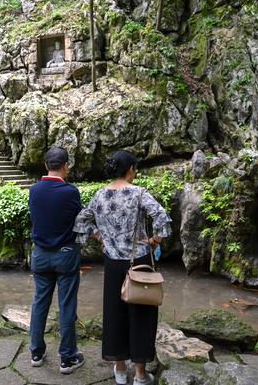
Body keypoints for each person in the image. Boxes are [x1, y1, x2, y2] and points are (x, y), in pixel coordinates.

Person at [74, 150, 171, 385]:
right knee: (141, 315)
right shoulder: (138, 193)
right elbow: (162, 219)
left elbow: (80, 221)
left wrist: (101, 237)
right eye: (135, 169)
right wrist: (154, 241)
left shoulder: (100, 195)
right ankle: (139, 375)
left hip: (113, 263)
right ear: (130, 170)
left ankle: (119, 370)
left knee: (114, 313)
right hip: (138, 262)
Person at [28, 146, 85, 374]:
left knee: (40, 303)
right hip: (65, 255)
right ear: (65, 166)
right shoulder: (71, 192)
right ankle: (67, 358)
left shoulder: (34, 190)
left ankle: (36, 352)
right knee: (66, 305)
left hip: (40, 254)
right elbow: (79, 221)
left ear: (45, 165)